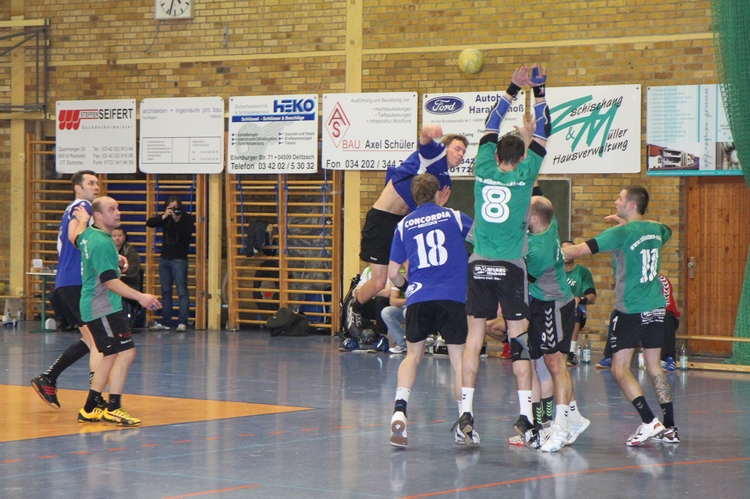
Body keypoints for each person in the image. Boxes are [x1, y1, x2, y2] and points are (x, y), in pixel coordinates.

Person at [455, 64, 550, 445]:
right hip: (510, 267)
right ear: (522, 156)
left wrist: (513, 86)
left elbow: (491, 123)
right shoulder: (526, 174)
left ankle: (465, 414)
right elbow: (544, 130)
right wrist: (539, 91)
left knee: (474, 339)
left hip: (479, 264)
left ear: (495, 154)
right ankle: (525, 418)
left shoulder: (482, 165)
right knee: (519, 339)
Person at [562, 186, 679, 445]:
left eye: (620, 199)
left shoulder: (620, 233)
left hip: (631, 309)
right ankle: (671, 427)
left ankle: (649, 421)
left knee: (619, 368)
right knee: (654, 366)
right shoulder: (656, 230)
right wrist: (629, 222)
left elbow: (576, 251)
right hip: (656, 306)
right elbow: (666, 230)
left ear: (631, 205)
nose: (616, 202)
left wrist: (536, 252)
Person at [346, 124, 467, 334]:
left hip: (405, 223)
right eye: (457, 149)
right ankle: (354, 307)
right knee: (378, 282)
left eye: (464, 151)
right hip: (382, 220)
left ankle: (418, 305)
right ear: (445, 147)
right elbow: (424, 138)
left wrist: (439, 206)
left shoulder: (444, 180)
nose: (461, 154)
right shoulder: (434, 156)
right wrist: (429, 130)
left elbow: (430, 211)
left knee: (413, 269)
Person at [387, 173, 474, 447]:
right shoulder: (455, 217)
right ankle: (464, 420)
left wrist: (407, 286)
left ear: (413, 198)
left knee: (413, 356)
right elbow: (482, 240)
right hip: (452, 297)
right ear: (438, 193)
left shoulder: (403, 225)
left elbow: (392, 273)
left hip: (419, 297)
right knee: (458, 361)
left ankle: (399, 409)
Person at [75, 196, 161, 426]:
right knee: (126, 353)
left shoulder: (90, 234)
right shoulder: (103, 243)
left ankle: (90, 408)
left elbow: (76, 237)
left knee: (112, 354)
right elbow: (110, 281)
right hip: (102, 306)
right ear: (99, 216)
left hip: (98, 305)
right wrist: (141, 297)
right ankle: (112, 408)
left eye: (118, 208)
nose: (118, 212)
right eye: (112, 209)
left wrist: (82, 220)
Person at [31, 170, 105, 409]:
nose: (96, 187)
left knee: (91, 339)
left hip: (69, 282)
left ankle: (48, 378)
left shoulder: (72, 208)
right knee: (99, 342)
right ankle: (95, 401)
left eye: (97, 183)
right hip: (76, 282)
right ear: (78, 188)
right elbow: (75, 238)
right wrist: (84, 223)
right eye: (91, 183)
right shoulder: (82, 207)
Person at [524, 196, 590, 452]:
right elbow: (540, 198)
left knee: (556, 365)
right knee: (553, 364)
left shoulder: (538, 251)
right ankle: (574, 417)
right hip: (545, 304)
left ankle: (561, 427)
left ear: (534, 218)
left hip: (553, 305)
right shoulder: (551, 225)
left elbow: (523, 278)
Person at [146, 196, 195, 332]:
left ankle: (183, 322)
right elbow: (149, 223)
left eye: (175, 207)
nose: (173, 210)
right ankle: (165, 322)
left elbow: (187, 235)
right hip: (165, 259)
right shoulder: (166, 218)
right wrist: (164, 216)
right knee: (166, 292)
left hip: (179, 259)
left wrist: (177, 220)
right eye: (170, 207)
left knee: (182, 292)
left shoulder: (187, 218)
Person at [561, 240, 597, 366]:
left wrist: (579, 299)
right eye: (564, 250)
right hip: (556, 309)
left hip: (576, 311)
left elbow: (592, 297)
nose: (567, 253)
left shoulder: (582, 272)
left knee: (573, 307)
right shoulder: (553, 271)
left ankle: (571, 352)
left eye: (570, 250)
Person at [112, 226, 143, 328]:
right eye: (114, 235)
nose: (117, 238)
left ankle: (124, 322)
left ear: (124, 237)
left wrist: (118, 273)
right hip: (112, 284)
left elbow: (134, 270)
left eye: (119, 235)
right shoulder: (107, 249)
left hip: (129, 283)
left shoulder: (130, 251)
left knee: (120, 293)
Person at [658, 273, 681, 372]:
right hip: (643, 314)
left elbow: (665, 303)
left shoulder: (661, 280)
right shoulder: (635, 280)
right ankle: (613, 356)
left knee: (665, 316)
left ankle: (669, 358)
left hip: (664, 314)